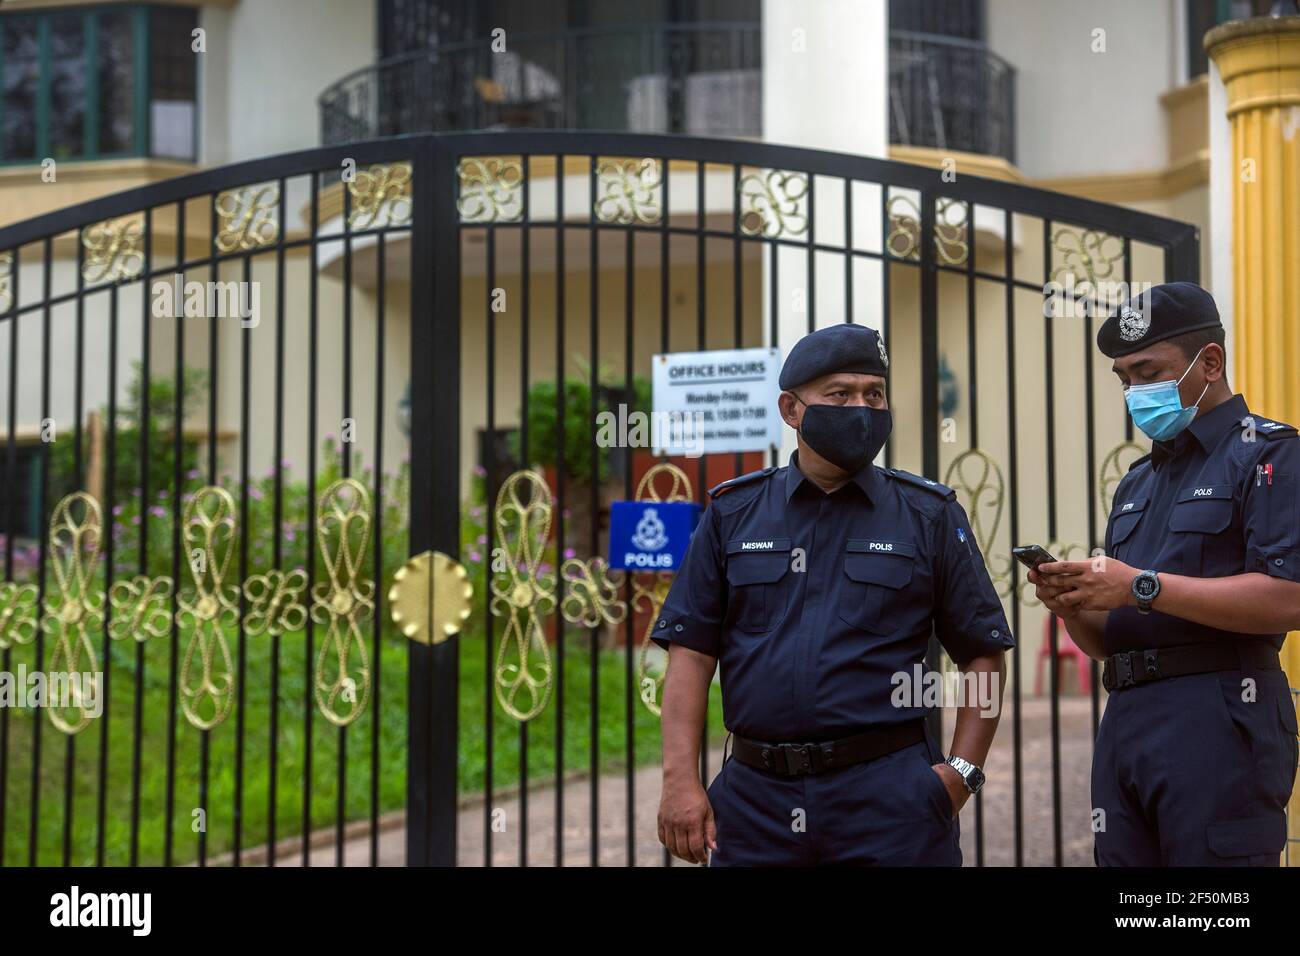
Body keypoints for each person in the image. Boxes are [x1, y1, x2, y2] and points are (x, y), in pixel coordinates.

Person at [653, 322, 1013, 866]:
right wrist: (680, 780)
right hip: (755, 803)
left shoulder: (929, 515)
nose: (862, 408)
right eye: (840, 394)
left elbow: (982, 650)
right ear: (791, 410)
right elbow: (692, 652)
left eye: (874, 393)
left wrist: (960, 774)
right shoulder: (733, 513)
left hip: (890, 799)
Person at [1030, 281, 1300, 866]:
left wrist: (1140, 586)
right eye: (1124, 378)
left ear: (1210, 362)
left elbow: (1289, 598)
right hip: (1127, 720)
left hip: (1219, 720)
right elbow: (1107, 641)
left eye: (1149, 372)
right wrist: (1075, 605)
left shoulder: (1269, 455)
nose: (1135, 391)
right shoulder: (1138, 482)